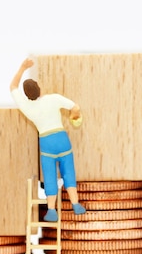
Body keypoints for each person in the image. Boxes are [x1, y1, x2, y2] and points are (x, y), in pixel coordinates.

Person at [10, 58, 86, 222]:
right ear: (39, 88)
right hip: (62, 139)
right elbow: (76, 107)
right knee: (69, 172)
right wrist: (75, 117)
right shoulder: (53, 99)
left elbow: (12, 86)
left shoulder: (27, 108)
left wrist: (22, 67)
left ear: (26, 95)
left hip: (46, 144)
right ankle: (76, 204)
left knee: (50, 175)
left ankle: (51, 210)